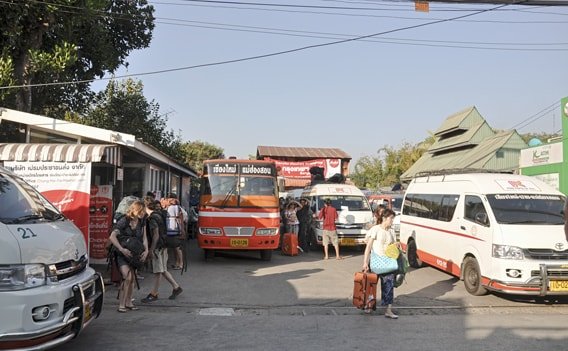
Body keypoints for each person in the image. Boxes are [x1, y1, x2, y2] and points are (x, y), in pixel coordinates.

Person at [108, 200, 149, 313]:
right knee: (127, 277)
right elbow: (112, 237)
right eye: (141, 211)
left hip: (134, 253)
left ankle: (129, 302)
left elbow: (144, 238)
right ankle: (122, 304)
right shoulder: (124, 220)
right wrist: (122, 249)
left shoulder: (142, 221)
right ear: (136, 210)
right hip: (122, 253)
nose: (143, 213)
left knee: (132, 280)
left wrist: (146, 251)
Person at [141, 197, 183, 303]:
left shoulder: (152, 218)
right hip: (164, 245)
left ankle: (154, 293)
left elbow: (155, 235)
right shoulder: (160, 214)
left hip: (157, 247)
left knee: (158, 271)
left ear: (145, 206)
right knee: (162, 269)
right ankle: (176, 287)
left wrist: (151, 250)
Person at [362, 208, 398, 319]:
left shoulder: (391, 231)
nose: (392, 221)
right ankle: (369, 305)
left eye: (393, 219)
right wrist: (365, 262)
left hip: (388, 263)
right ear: (384, 218)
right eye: (391, 218)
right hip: (376, 261)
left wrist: (396, 245)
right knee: (372, 285)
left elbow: (394, 245)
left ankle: (388, 310)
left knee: (389, 286)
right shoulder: (375, 229)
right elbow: (368, 246)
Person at [165, 193, 185, 270]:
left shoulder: (176, 207)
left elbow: (180, 217)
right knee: (175, 246)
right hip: (172, 228)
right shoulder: (175, 207)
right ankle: (178, 263)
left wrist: (181, 229)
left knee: (177, 246)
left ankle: (180, 263)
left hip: (173, 228)